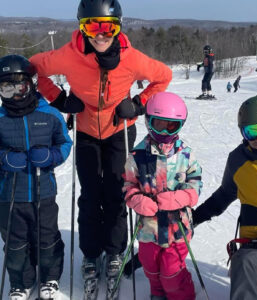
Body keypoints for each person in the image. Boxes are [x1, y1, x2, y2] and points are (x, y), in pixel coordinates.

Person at [29, 0, 172, 297]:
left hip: (120, 131)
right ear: (82, 27)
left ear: (118, 27)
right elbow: (35, 68)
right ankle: (92, 254)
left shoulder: (131, 59)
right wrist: (59, 100)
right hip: (86, 133)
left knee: (118, 193)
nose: (101, 35)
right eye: (93, 27)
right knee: (91, 195)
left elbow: (163, 76)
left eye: (108, 27)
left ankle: (115, 250)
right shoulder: (68, 56)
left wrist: (137, 105)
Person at [192, 95, 257, 300]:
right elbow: (223, 196)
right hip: (254, 242)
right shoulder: (239, 160)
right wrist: (194, 219)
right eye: (251, 131)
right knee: (243, 264)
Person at [0, 54, 72, 300]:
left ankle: (49, 278)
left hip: (44, 191)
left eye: (21, 85)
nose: (16, 93)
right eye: (6, 88)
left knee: (46, 237)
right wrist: (4, 158)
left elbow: (64, 143)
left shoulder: (49, 114)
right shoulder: (0, 119)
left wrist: (51, 156)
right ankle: (21, 282)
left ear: (31, 84)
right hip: (10, 194)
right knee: (15, 243)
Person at [123, 92, 202, 300]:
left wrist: (182, 197)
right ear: (149, 122)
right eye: (159, 124)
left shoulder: (185, 154)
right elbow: (129, 184)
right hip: (148, 227)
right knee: (150, 265)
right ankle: (157, 293)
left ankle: (181, 295)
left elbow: (196, 182)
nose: (165, 131)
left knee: (171, 270)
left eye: (171, 126)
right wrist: (136, 199)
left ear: (180, 125)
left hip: (178, 228)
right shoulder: (137, 155)